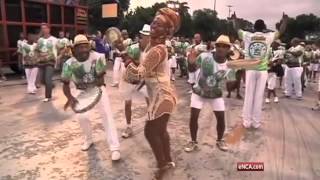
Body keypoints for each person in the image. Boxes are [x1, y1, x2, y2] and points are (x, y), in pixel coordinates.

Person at [125, 8, 180, 179]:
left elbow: (138, 74)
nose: (154, 24)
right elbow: (144, 72)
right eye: (154, 21)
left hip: (161, 95)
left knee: (150, 132)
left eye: (160, 24)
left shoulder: (158, 50)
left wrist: (127, 63)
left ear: (167, 31)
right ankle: (168, 161)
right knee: (161, 131)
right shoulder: (152, 45)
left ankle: (162, 165)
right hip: (162, 94)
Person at [61, 34, 121, 161]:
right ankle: (88, 139)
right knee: (82, 116)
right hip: (80, 91)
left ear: (89, 47)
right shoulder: (69, 63)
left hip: (98, 88)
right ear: (74, 49)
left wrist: (91, 91)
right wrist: (70, 98)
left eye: (85, 47)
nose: (83, 50)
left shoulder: (98, 57)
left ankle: (114, 148)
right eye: (80, 47)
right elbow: (65, 84)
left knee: (106, 115)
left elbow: (100, 80)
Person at [233, 13, 288, 129]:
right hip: (263, 70)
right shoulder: (268, 36)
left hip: (250, 69)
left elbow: (236, 29)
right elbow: (281, 31)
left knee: (249, 95)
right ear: (264, 28)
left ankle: (246, 122)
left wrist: (234, 19)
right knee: (258, 96)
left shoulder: (247, 35)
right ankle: (256, 122)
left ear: (254, 27)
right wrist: (285, 21)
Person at [184, 35, 236, 153]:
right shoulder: (204, 57)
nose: (221, 48)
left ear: (228, 49)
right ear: (215, 47)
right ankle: (193, 141)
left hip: (215, 95)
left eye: (224, 46)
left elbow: (230, 87)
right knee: (194, 117)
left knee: (221, 118)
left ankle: (220, 140)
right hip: (199, 92)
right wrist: (190, 62)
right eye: (218, 46)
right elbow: (192, 69)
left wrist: (234, 78)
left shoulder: (229, 66)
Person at [120, 24, 150, 138]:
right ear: (141, 36)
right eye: (144, 36)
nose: (146, 39)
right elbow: (127, 63)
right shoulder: (132, 48)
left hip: (142, 80)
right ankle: (128, 127)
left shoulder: (151, 51)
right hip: (128, 79)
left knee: (150, 102)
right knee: (127, 104)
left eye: (149, 36)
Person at [35, 23, 58, 102]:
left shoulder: (54, 39)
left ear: (49, 29)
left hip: (50, 62)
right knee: (42, 80)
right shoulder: (40, 40)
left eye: (45, 28)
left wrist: (58, 58)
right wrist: (37, 57)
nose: (44, 30)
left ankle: (48, 96)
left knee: (48, 79)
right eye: (42, 28)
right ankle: (51, 85)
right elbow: (36, 50)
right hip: (41, 62)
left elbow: (62, 49)